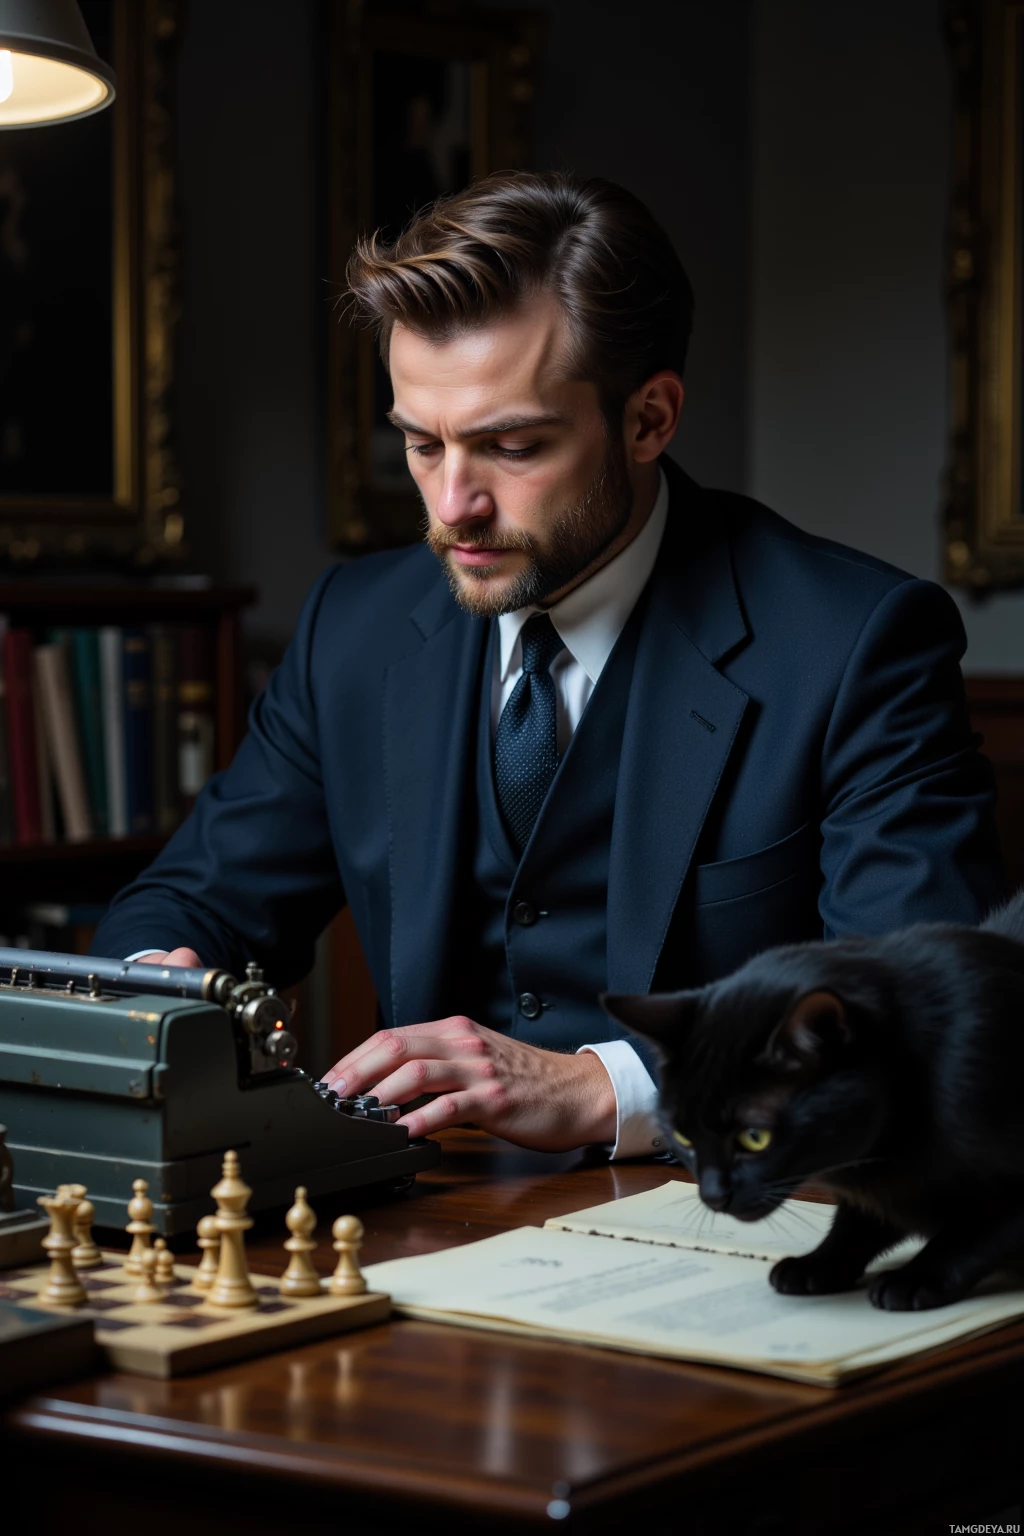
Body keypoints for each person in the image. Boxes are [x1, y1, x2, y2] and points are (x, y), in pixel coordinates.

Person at [93, 170, 1004, 1158]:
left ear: (650, 418)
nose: (452, 506)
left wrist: (606, 1087)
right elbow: (190, 900)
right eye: (419, 444)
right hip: (425, 1221)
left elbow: (924, 1020)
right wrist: (166, 981)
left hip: (722, 1229)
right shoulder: (352, 628)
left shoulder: (858, 643)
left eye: (511, 446)